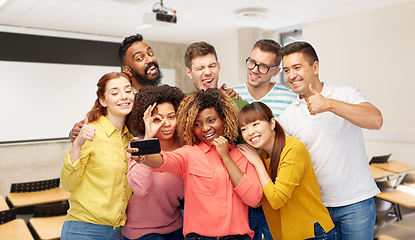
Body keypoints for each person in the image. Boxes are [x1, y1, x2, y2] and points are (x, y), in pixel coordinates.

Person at [279, 41, 383, 240]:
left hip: (356, 203)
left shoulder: (345, 94)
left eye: (297, 67)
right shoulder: (288, 116)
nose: (291, 76)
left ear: (315, 67)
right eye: (287, 70)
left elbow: (376, 120)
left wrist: (328, 104)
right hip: (316, 208)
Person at [129, 88, 263, 239]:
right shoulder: (189, 153)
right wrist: (143, 155)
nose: (205, 128)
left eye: (211, 120)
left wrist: (226, 158)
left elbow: (254, 199)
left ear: (224, 119)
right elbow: (163, 161)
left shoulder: (243, 155)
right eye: (197, 124)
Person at [237, 102, 335, 240]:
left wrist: (257, 164)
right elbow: (258, 199)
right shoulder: (263, 156)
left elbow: (277, 200)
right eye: (243, 129)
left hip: (312, 232)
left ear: (272, 123)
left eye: (255, 124)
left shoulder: (293, 148)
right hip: (286, 234)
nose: (250, 132)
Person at [233, 39, 297, 240]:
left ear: (276, 71)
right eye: (251, 62)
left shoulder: (290, 99)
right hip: (243, 191)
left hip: (276, 189)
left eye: (263, 66)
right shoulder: (232, 96)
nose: (254, 69)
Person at [60, 72, 134, 240]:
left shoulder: (129, 139)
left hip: (115, 232)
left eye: (128, 91)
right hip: (83, 229)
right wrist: (77, 145)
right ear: (103, 100)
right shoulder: (90, 133)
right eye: (115, 93)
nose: (124, 97)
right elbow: (67, 184)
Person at [70, 33, 161, 141]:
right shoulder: (124, 101)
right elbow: (93, 122)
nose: (150, 60)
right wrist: (74, 132)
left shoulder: (163, 95)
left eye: (150, 53)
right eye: (140, 58)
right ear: (127, 70)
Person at [123, 85, 186, 240]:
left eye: (172, 117)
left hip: (174, 224)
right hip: (140, 229)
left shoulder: (186, 146)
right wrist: (148, 139)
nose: (166, 123)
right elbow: (140, 188)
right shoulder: (137, 145)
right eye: (158, 119)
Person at [184, 41, 247, 110]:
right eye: (200, 68)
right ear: (189, 73)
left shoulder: (239, 105)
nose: (207, 72)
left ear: (218, 67)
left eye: (212, 66)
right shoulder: (182, 104)